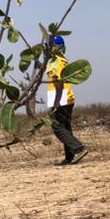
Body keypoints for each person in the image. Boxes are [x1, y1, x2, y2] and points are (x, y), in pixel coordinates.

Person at [45, 34, 87, 165]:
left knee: (57, 127)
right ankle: (70, 156)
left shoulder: (55, 63)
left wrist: (57, 102)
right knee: (66, 127)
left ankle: (78, 149)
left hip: (60, 97)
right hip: (68, 97)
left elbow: (59, 82)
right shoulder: (63, 60)